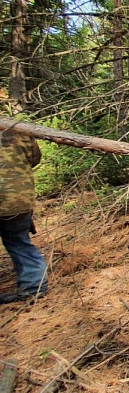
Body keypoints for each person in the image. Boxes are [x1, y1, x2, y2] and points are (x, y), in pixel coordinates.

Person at [0, 127, 48, 303]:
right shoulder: (19, 130)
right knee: (19, 242)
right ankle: (33, 287)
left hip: (15, 197)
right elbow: (34, 158)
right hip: (19, 197)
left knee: (17, 241)